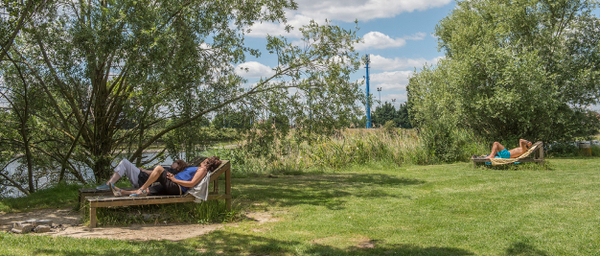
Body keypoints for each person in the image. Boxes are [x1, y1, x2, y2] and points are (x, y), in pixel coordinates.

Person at [110, 156, 222, 197]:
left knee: (158, 168)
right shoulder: (200, 168)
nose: (203, 160)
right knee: (149, 191)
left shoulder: (202, 169)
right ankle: (121, 192)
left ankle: (140, 189)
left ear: (208, 162)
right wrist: (175, 176)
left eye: (206, 160)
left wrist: (174, 179)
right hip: (174, 184)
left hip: (177, 188)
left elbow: (192, 183)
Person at [96, 159, 188, 190]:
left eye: (175, 162)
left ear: (179, 165)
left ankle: (108, 184)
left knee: (124, 162)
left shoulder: (172, 171)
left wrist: (144, 170)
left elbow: (156, 173)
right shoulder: (170, 170)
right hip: (141, 178)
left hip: (142, 179)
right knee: (125, 163)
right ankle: (109, 184)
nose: (173, 162)